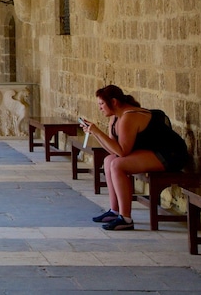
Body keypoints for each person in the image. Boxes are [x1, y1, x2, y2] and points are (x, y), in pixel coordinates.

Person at [79, 84, 191, 231]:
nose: (100, 108)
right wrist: (94, 133)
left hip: (171, 154)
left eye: (101, 104)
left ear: (114, 102)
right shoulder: (115, 117)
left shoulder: (129, 116)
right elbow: (113, 150)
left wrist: (98, 132)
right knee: (108, 160)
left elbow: (122, 152)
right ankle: (115, 211)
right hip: (152, 152)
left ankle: (125, 218)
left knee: (117, 165)